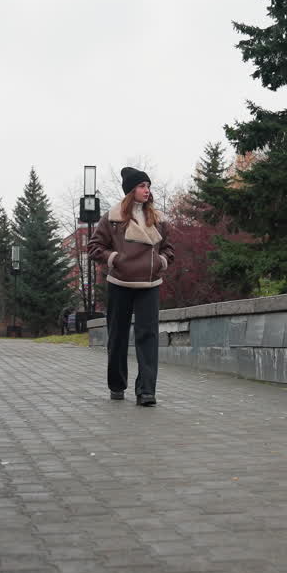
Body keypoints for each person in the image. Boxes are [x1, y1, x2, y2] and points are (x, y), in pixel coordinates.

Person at [87, 167, 175, 406]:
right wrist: (114, 258)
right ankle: (117, 385)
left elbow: (169, 248)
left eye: (148, 186)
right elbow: (94, 247)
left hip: (149, 282)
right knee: (117, 336)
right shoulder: (112, 218)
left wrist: (162, 261)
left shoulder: (158, 218)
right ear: (130, 190)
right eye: (141, 186)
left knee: (148, 336)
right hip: (120, 282)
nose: (147, 190)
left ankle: (146, 391)